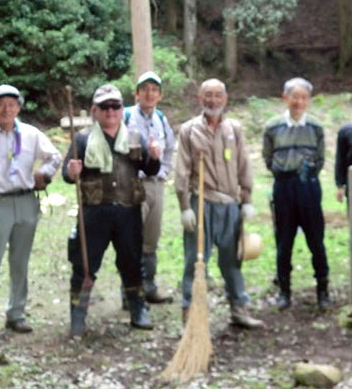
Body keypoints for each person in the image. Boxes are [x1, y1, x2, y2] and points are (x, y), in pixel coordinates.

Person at [0, 85, 62, 341]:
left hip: (26, 201)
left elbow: (54, 156)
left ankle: (16, 313)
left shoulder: (31, 134)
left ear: (19, 107)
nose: (7, 108)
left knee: (20, 261)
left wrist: (45, 175)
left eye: (12, 103)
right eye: (1, 103)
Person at [63, 84, 161, 337]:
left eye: (115, 106)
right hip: (94, 213)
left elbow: (150, 170)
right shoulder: (82, 139)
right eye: (104, 107)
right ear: (95, 110)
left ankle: (138, 309)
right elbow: (67, 174)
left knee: (131, 261)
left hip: (128, 212)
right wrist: (71, 171)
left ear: (122, 109)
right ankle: (78, 314)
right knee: (85, 264)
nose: (110, 111)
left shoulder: (135, 138)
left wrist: (154, 157)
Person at [174, 78, 264, 329]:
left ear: (225, 99)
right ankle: (190, 314)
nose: (213, 100)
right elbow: (181, 170)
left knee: (232, 259)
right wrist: (184, 207)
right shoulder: (189, 130)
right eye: (208, 95)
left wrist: (247, 198)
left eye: (217, 95)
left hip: (230, 205)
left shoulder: (234, 129)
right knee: (195, 259)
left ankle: (239, 308)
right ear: (199, 99)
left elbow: (244, 164)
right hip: (202, 202)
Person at [262, 77, 330, 310]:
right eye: (294, 97)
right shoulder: (272, 127)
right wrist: (284, 173)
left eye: (303, 97)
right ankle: (284, 291)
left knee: (316, 241)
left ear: (308, 100)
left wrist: (307, 174)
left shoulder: (316, 127)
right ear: (285, 98)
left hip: (309, 187)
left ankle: (323, 290)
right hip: (284, 188)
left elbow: (320, 159)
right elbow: (268, 158)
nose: (298, 102)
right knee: (284, 241)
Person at [122, 71, 175, 306]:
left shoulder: (161, 119)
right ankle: (129, 292)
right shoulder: (125, 116)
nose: (149, 94)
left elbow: (171, 148)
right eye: (145, 89)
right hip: (132, 185)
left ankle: (149, 287)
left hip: (156, 186)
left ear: (160, 96)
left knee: (151, 238)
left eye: (154, 90)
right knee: (131, 238)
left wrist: (163, 172)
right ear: (136, 94)